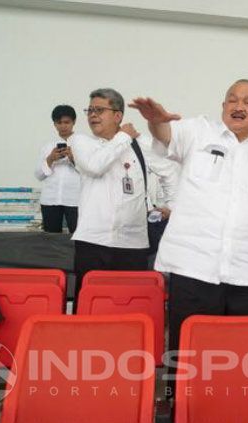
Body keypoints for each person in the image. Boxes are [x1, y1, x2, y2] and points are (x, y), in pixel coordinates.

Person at [129, 80, 248, 357]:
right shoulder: (199, 131)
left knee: (241, 356)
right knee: (187, 354)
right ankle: (181, 401)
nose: (239, 106)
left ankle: (234, 402)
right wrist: (155, 122)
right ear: (223, 106)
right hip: (194, 268)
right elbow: (166, 135)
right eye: (232, 100)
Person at [69, 88, 164, 303]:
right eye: (90, 110)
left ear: (118, 115)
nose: (92, 115)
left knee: (129, 306)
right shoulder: (82, 142)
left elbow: (171, 172)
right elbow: (96, 166)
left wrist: (170, 205)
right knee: (90, 306)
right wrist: (123, 137)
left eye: (99, 110)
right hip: (93, 241)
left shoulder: (142, 145)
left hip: (133, 244)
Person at [34, 105, 81, 233]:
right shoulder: (47, 147)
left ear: (74, 122)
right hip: (50, 200)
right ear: (54, 124)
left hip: (75, 200)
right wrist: (50, 159)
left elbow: (92, 172)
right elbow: (38, 175)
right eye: (59, 122)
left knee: (79, 240)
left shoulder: (83, 144)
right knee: (50, 242)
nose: (63, 126)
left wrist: (72, 158)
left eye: (67, 122)